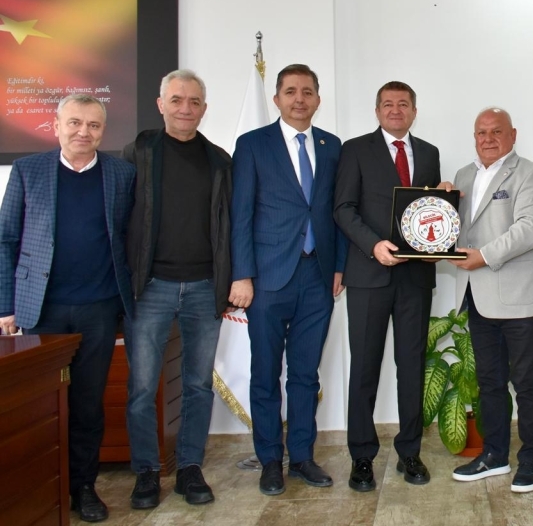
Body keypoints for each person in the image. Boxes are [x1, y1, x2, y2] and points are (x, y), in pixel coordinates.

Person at [0, 94, 135, 522]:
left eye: (93, 125)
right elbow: (5, 240)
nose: (83, 132)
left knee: (87, 405)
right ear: (56, 125)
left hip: (98, 310)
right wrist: (5, 306)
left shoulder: (121, 174)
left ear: (103, 131)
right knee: (39, 407)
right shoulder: (28, 171)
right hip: (40, 310)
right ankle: (42, 488)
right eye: (74, 122)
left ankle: (83, 488)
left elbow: (130, 237)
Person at [230, 64, 348, 496]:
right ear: (277, 98)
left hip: (317, 277)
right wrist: (242, 275)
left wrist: (339, 266)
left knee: (305, 374)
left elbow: (338, 210)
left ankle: (301, 456)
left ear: (318, 99)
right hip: (266, 279)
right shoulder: (252, 144)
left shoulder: (331, 146)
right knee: (265, 374)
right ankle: (269, 461)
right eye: (291, 91)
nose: (300, 99)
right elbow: (240, 214)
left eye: (308, 92)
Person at [121, 70, 233, 509]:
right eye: (177, 100)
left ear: (204, 108)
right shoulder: (138, 153)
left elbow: (229, 226)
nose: (186, 108)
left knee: (198, 385)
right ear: (161, 104)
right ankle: (146, 472)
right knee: (142, 387)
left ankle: (189, 468)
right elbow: (119, 219)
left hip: (205, 287)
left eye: (194, 101)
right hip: (150, 288)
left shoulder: (220, 160)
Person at [333, 81, 440, 491]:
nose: (396, 110)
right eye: (388, 104)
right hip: (368, 276)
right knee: (364, 368)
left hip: (415, 279)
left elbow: (428, 210)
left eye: (403, 104)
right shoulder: (355, 149)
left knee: (412, 367)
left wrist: (444, 201)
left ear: (414, 110)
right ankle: (362, 457)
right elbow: (343, 208)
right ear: (377, 111)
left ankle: (410, 451)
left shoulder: (429, 153)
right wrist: (373, 245)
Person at [449, 108, 533, 493]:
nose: (488, 139)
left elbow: (530, 228)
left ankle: (531, 460)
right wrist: (439, 201)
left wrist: (484, 256)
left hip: (519, 298)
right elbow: (455, 227)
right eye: (481, 132)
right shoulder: (463, 175)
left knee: (525, 382)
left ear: (513, 134)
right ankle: (494, 455)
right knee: (488, 381)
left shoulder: (532, 174)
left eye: (496, 131)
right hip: (478, 297)